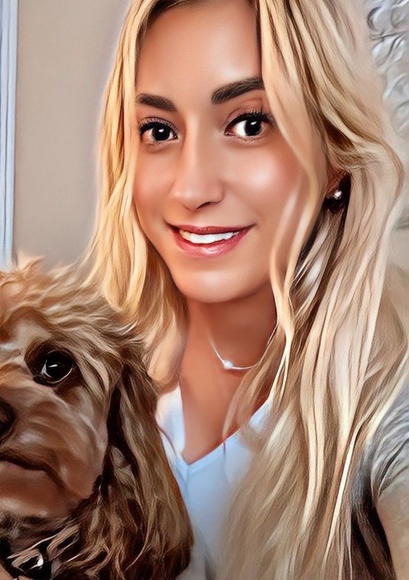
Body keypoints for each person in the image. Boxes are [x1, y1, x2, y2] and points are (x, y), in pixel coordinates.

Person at [84, 0, 409, 578]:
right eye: (159, 131)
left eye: (250, 124)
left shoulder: (387, 401)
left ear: (335, 154)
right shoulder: (94, 397)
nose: (192, 189)